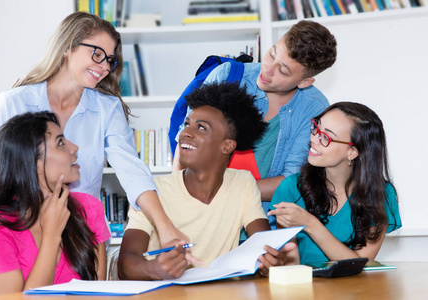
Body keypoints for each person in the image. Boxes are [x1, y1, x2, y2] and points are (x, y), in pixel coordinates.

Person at [0, 11, 185, 245]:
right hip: (24, 231)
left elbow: (131, 170)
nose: (104, 67)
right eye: (97, 54)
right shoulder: (14, 102)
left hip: (83, 235)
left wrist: (164, 225)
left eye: (110, 60)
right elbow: (0, 174)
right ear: (67, 47)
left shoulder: (107, 108)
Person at [117, 82, 295, 280]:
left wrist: (269, 261)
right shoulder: (153, 191)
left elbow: (262, 245)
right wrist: (154, 269)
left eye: (201, 127)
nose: (185, 132)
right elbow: (125, 266)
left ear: (227, 146)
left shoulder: (243, 183)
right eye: (187, 124)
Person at [173, 20, 338, 230]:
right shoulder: (227, 76)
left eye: (283, 71)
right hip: (201, 220)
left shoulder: (314, 107)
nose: (268, 70)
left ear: (305, 82)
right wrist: (176, 205)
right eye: (272, 53)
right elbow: (186, 142)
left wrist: (220, 188)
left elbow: (292, 180)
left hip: (262, 226)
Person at [0, 111, 110, 297]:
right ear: (33, 163)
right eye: (60, 143)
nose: (74, 148)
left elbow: (98, 293)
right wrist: (51, 236)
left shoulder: (89, 208)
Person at [268, 102, 402, 265]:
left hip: (356, 289)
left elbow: (361, 263)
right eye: (316, 127)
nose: (314, 139)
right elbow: (291, 266)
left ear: (352, 152)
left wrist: (310, 224)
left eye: (326, 137)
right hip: (304, 288)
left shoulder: (381, 194)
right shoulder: (291, 188)